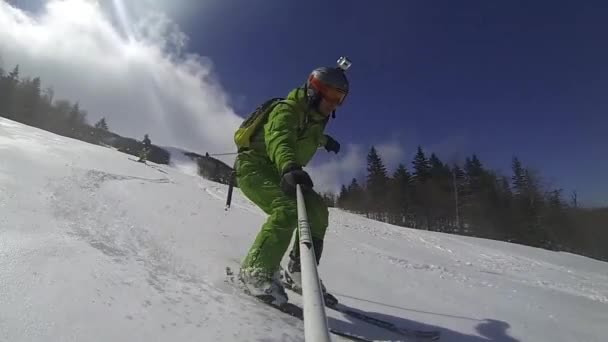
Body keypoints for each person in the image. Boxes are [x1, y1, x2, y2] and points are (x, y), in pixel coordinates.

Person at [234, 59, 351, 306]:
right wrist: (289, 165)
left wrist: (326, 140)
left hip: (281, 171)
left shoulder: (314, 122)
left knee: (317, 210)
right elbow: (280, 138)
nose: (332, 104)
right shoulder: (286, 110)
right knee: (288, 210)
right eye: (329, 95)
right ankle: (255, 271)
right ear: (313, 89)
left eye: (339, 99)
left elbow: (311, 134)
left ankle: (299, 270)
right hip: (254, 168)